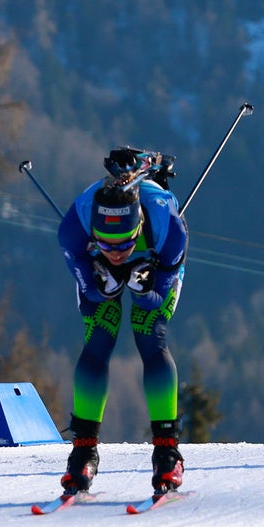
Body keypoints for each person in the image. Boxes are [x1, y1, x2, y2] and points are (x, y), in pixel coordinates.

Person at [55, 148, 189, 499]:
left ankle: (167, 451)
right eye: (108, 244)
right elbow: (87, 285)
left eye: (124, 243)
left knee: (150, 334)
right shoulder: (74, 229)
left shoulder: (168, 227)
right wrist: (101, 285)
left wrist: (147, 291)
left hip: (155, 260)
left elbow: (157, 299)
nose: (117, 252)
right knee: (99, 336)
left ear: (139, 227)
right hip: (94, 261)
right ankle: (83, 450)